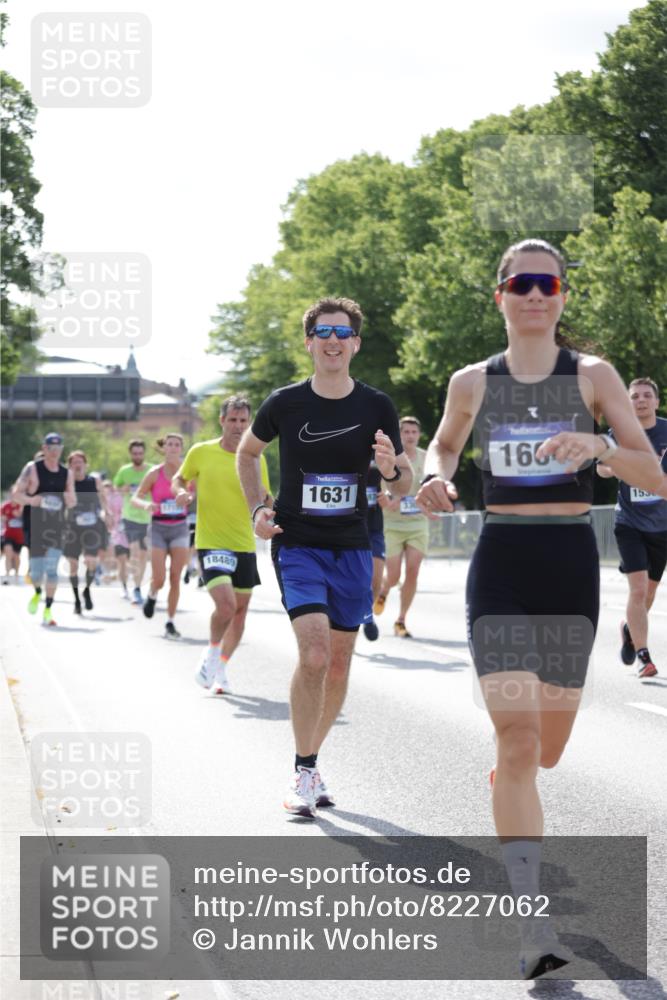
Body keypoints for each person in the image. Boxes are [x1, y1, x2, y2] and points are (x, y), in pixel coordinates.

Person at [415, 239, 665, 979]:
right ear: (500, 295)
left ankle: (510, 781)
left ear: (560, 296)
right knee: (519, 742)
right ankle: (532, 924)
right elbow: (444, 445)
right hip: (500, 566)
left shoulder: (593, 376)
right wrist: (434, 477)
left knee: (544, 751)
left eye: (546, 284)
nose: (533, 294)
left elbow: (654, 473)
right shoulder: (472, 381)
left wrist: (599, 445)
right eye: (520, 283)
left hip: (568, 570)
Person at [236, 297, 412, 819]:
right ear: (309, 342)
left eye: (342, 333)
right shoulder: (285, 403)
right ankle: (303, 769)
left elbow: (403, 482)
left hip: (352, 546)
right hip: (297, 543)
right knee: (313, 655)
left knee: (337, 664)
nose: (333, 341)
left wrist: (389, 468)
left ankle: (313, 762)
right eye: (323, 332)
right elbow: (248, 452)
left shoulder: (376, 405)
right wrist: (257, 508)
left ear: (355, 343)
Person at [173, 396, 271, 692]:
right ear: (222, 421)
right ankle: (212, 653)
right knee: (226, 606)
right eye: (232, 420)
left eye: (243, 421)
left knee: (240, 612)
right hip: (211, 542)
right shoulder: (201, 452)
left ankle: (221, 667)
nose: (238, 426)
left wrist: (269, 502)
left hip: (244, 543)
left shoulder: (256, 458)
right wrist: (181, 492)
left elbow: (266, 500)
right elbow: (180, 478)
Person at [597, 377, 667, 678]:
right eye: (635, 396)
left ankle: (629, 629)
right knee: (637, 591)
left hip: (661, 526)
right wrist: (617, 467)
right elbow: (600, 468)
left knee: (648, 595)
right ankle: (644, 657)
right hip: (629, 522)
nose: (641, 400)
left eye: (647, 395)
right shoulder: (619, 432)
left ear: (656, 402)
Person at [373, 416, 430, 637]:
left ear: (419, 435)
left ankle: (401, 620)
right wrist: (388, 499)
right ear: (399, 434)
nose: (410, 436)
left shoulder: (427, 458)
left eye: (414, 432)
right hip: (392, 523)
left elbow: (433, 484)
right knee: (394, 575)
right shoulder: (391, 456)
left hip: (418, 522)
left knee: (413, 571)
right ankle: (384, 590)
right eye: (406, 432)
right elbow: (380, 487)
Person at [12, 432, 76, 626]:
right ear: (44, 448)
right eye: (51, 448)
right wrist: (32, 500)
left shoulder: (67, 473)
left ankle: (48, 608)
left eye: (58, 448)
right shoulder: (32, 469)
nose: (54, 451)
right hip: (35, 525)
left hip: (57, 526)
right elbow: (16, 494)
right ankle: (37, 592)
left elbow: (72, 500)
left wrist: (70, 500)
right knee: (36, 573)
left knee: (52, 569)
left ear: (61, 450)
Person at [132, 434, 191, 639]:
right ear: (164, 448)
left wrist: (190, 497)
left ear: (181, 448)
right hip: (158, 528)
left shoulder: (188, 473)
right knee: (159, 578)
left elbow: (199, 493)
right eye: (169, 444)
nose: (173, 448)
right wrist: (146, 504)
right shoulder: (154, 473)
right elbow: (136, 497)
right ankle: (152, 593)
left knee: (175, 577)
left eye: (177, 445)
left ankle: (170, 622)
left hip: (180, 528)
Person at [63, 452, 110, 614]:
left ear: (85, 465)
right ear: (70, 466)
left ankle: (87, 589)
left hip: (92, 527)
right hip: (72, 528)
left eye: (80, 462)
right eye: (74, 463)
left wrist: (107, 513)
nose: (78, 465)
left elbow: (103, 499)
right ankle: (76, 599)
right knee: (73, 565)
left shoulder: (94, 481)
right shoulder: (66, 483)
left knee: (91, 561)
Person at [113, 440, 151, 605]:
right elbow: (116, 488)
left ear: (144, 453)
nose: (138, 456)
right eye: (135, 453)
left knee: (143, 555)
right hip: (129, 517)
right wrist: (124, 489)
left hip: (148, 518)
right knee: (135, 552)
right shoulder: (124, 471)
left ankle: (137, 587)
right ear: (130, 454)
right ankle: (133, 587)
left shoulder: (152, 470)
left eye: (140, 453)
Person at [362, 461, 387, 641]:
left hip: (374, 528)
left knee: (376, 581)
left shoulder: (381, 450)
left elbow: (398, 478)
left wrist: (389, 494)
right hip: (348, 526)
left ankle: (367, 614)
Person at [1, 494, 25, 583]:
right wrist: (5, 518)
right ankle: (7, 575)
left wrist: (20, 513)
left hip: (19, 536)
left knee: (16, 556)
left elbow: (26, 518)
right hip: (8, 534)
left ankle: (17, 574)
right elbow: (2, 518)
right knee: (8, 553)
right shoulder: (5, 506)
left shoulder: (22, 506)